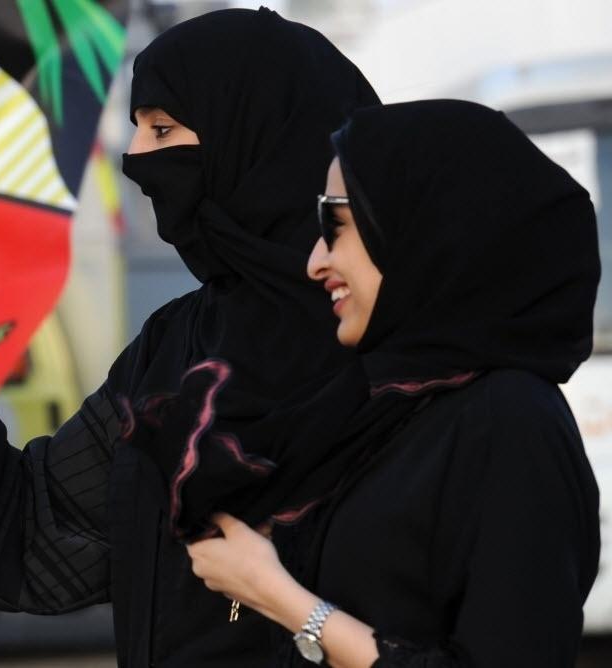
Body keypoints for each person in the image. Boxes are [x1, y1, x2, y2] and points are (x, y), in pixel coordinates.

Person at [0, 7, 379, 666]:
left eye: (162, 129)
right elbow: (32, 529)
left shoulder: (411, 361)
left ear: (251, 136)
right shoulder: (178, 349)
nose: (135, 159)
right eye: (135, 130)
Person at [182, 99, 601, 666]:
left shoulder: (512, 420)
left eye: (336, 224)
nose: (314, 262)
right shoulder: (374, 410)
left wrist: (283, 600)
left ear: (427, 226)